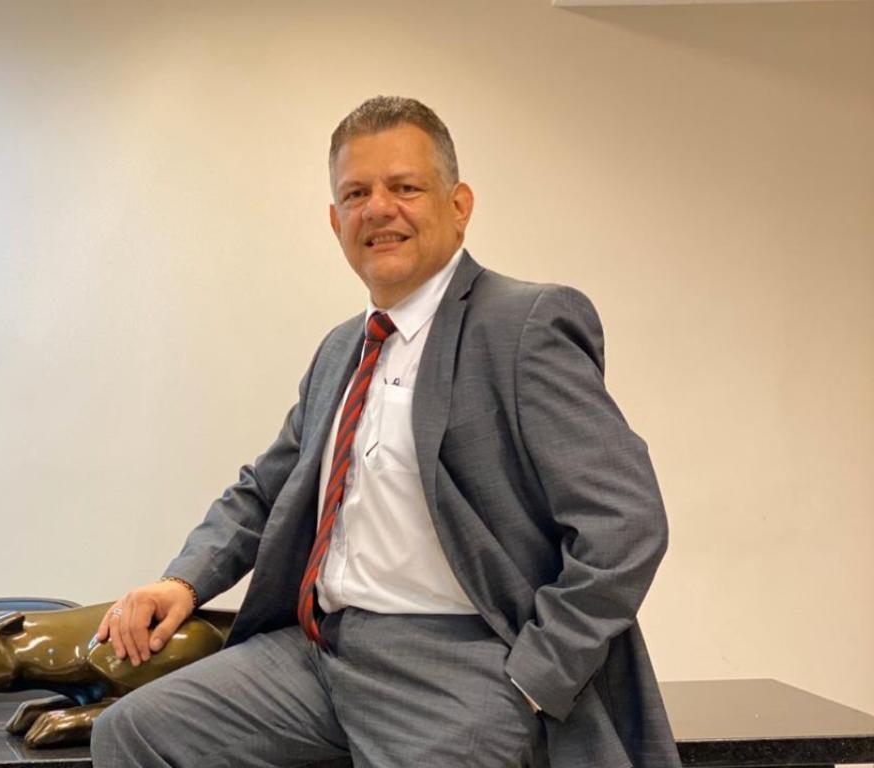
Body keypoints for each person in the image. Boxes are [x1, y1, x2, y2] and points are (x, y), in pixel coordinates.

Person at [90, 96, 679, 768]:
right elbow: (266, 489)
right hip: (317, 652)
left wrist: (535, 678)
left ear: (459, 205)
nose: (378, 209)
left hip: (459, 667)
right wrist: (184, 582)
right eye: (356, 193)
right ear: (335, 220)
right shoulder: (343, 349)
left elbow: (625, 523)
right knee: (133, 733)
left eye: (405, 188)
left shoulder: (524, 326)